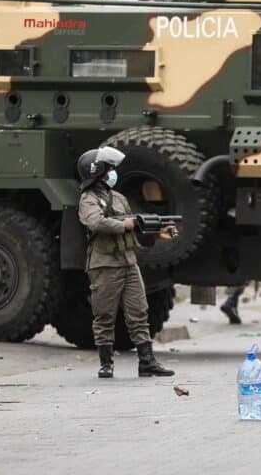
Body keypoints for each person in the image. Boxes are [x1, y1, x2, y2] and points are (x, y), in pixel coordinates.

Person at [77, 146, 177, 379]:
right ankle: (106, 363)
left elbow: (134, 231)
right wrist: (125, 225)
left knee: (139, 312)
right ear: (97, 171)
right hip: (104, 265)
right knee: (104, 315)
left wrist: (156, 233)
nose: (113, 173)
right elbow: (96, 223)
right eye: (109, 168)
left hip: (128, 262)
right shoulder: (88, 200)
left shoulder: (119, 198)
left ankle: (147, 362)